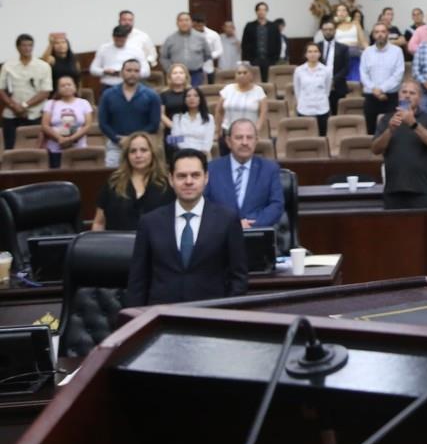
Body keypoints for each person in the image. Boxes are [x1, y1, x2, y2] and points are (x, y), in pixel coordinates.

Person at [125, 149, 248, 307]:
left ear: (206, 178)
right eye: (181, 176)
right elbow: (138, 279)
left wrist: (227, 315)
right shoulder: (150, 222)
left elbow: (238, 277)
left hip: (212, 317)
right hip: (161, 317)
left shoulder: (227, 220)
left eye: (195, 175)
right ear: (171, 179)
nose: (188, 181)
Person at [372, 80, 427, 210]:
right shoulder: (387, 119)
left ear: (419, 98)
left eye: (412, 93)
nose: (407, 96)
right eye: (404, 92)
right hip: (393, 190)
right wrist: (390, 130)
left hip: (421, 191)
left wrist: (413, 124)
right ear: (399, 95)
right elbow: (375, 149)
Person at [206, 119, 285, 232]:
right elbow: (204, 204)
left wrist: (253, 224)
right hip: (220, 236)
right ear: (228, 141)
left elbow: (276, 205)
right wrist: (232, 224)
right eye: (239, 137)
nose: (244, 142)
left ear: (256, 141)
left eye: (249, 137)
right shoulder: (212, 169)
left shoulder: (270, 169)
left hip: (257, 235)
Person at [92, 132, 171, 230]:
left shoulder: (167, 183)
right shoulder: (113, 182)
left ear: (153, 153)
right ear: (127, 155)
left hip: (156, 244)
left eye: (143, 150)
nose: (138, 155)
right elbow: (99, 223)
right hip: (118, 243)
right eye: (133, 151)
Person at [97, 59, 162, 168]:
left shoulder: (152, 95)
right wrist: (117, 139)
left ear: (140, 73)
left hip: (142, 147)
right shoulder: (107, 95)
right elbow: (103, 123)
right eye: (129, 70)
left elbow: (154, 124)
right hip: (116, 146)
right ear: (122, 73)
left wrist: (133, 139)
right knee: (112, 179)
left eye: (136, 71)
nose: (132, 74)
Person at [1, 34, 53, 151]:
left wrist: (24, 106)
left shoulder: (43, 66)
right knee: (10, 148)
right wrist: (14, 107)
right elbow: (1, 89)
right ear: (18, 47)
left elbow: (45, 92)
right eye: (24, 45)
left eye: (30, 45)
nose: (27, 48)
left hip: (35, 113)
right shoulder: (8, 66)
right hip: (12, 112)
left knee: (36, 148)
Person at [361, 23, 406, 135]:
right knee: (371, 132)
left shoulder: (397, 51)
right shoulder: (367, 52)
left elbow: (398, 75)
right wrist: (374, 90)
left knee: (392, 131)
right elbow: (363, 75)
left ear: (388, 34)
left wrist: (381, 89)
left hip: (390, 98)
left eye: (383, 31)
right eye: (377, 32)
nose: (380, 34)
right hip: (371, 97)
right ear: (373, 35)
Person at [40, 75, 93, 168]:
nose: (66, 87)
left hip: (79, 147)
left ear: (75, 87)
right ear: (58, 89)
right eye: (63, 85)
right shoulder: (50, 104)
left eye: (69, 84)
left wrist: (71, 139)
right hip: (55, 148)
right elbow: (45, 125)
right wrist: (59, 138)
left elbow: (87, 125)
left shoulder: (84, 103)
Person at [215, 62, 268, 152]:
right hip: (228, 131)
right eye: (239, 73)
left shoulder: (258, 90)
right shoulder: (228, 89)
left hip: (248, 133)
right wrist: (218, 129)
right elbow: (219, 111)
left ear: (251, 75)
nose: (241, 75)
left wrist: (257, 128)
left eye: (245, 72)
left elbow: (263, 112)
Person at [160, 12, 213, 86]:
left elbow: (207, 55)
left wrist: (197, 63)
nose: (184, 23)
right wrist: (170, 70)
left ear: (191, 22)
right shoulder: (170, 39)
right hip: (177, 76)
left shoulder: (200, 37)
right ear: (177, 23)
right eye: (181, 20)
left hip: (196, 74)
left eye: (186, 20)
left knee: (195, 96)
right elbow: (163, 57)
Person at [293, 42, 333, 137]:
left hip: (321, 108)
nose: (313, 54)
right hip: (304, 108)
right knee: (305, 137)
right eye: (310, 51)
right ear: (305, 54)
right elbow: (297, 89)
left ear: (319, 54)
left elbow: (327, 89)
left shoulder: (326, 70)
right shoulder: (299, 70)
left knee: (322, 137)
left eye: (315, 51)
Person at [240, 2, 282, 85]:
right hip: (254, 60)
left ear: (267, 11)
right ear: (256, 11)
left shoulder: (273, 26)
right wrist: (247, 60)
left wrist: (275, 59)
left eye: (264, 10)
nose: (261, 12)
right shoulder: (249, 26)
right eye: (259, 10)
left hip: (269, 60)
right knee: (253, 83)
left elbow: (278, 43)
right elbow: (244, 44)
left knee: (268, 83)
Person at [169, 86, 216, 160]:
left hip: (202, 155)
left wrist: (185, 138)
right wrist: (188, 151)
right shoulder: (177, 118)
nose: (192, 98)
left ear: (200, 99)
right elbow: (175, 139)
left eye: (195, 96)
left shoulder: (209, 118)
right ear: (184, 100)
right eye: (188, 96)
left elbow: (208, 141)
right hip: (182, 155)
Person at [316, 19, 351, 115]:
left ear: (335, 30)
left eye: (330, 29)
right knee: (322, 115)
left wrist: (333, 80)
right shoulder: (316, 47)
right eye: (325, 29)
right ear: (322, 31)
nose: (328, 31)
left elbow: (346, 68)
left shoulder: (343, 48)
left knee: (338, 115)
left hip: (338, 86)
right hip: (320, 85)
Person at [158, 63, 192, 131]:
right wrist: (174, 127)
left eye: (181, 73)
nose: (178, 75)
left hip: (191, 129)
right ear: (170, 77)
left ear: (186, 76)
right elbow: (161, 114)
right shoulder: (163, 94)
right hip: (171, 129)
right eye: (175, 73)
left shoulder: (192, 92)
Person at [190, 13, 222, 82]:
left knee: (208, 90)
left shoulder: (213, 34)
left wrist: (208, 56)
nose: (197, 28)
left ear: (204, 24)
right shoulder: (187, 34)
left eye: (200, 25)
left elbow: (219, 51)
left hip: (208, 69)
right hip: (191, 70)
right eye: (195, 26)